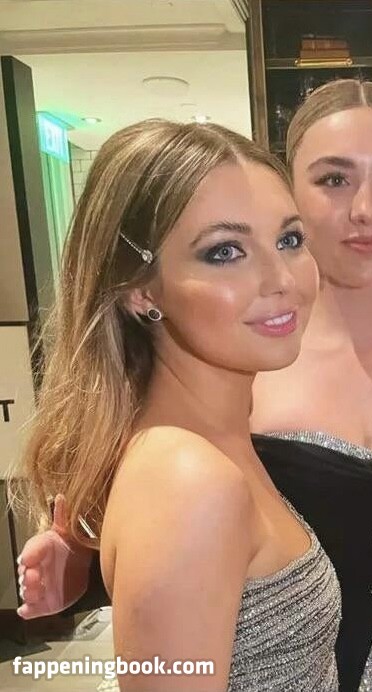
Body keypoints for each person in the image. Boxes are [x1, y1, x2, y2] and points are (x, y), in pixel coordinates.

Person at [17, 82, 372, 692]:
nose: (366, 208)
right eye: (334, 178)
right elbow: (168, 518)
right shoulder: (236, 363)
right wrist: (77, 547)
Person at [14, 119, 340, 690]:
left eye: (290, 240)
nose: (282, 279)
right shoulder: (188, 478)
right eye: (225, 252)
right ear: (139, 290)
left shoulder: (217, 438)